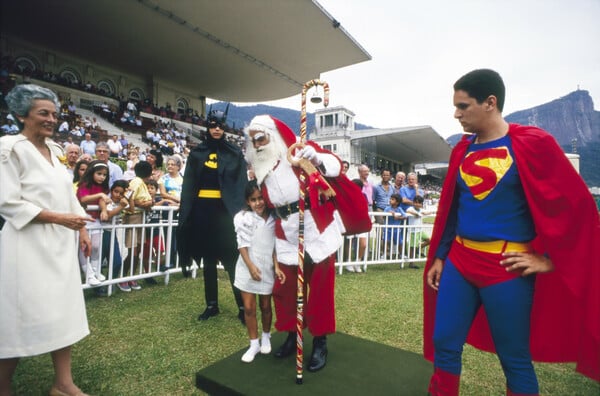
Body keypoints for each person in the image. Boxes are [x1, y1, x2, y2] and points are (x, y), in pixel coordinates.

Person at [424, 69, 600, 395]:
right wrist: (440, 255)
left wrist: (548, 260)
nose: (456, 114)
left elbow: (579, 207)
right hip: (460, 261)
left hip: (506, 267)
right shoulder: (461, 150)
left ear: (490, 103)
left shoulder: (535, 144)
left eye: (463, 106)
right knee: (445, 342)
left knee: (514, 358)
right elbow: (452, 209)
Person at [0, 84, 92, 396]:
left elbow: (68, 195)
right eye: (44, 113)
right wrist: (60, 219)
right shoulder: (10, 148)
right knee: (18, 314)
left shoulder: (55, 152)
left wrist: (80, 228)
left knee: (61, 309)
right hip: (25, 246)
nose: (52, 119)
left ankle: (63, 384)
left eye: (54, 113)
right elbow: (8, 202)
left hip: (59, 245)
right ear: (21, 115)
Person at [244, 115, 347, 372]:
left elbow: (336, 166)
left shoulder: (298, 153)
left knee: (320, 290)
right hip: (286, 233)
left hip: (316, 227)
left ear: (273, 135)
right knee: (286, 289)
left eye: (261, 138)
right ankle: (292, 334)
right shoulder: (260, 168)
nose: (257, 144)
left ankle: (320, 341)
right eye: (253, 140)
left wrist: (315, 156)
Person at [177, 110, 246, 324]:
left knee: (232, 260)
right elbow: (188, 187)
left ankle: (243, 307)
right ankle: (211, 305)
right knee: (207, 261)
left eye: (221, 126)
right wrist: (187, 215)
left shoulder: (234, 153)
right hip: (202, 213)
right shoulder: (197, 153)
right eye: (213, 125)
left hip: (226, 214)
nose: (217, 129)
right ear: (207, 127)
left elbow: (241, 185)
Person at [233, 180, 286, 363]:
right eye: (253, 199)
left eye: (261, 198)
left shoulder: (274, 217)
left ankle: (265, 336)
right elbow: (242, 244)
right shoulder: (242, 217)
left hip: (267, 269)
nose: (258, 203)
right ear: (248, 201)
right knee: (249, 307)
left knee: (265, 306)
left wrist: (277, 266)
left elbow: (274, 247)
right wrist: (250, 267)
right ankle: (253, 343)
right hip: (247, 267)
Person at [120, 160, 154, 292]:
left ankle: (131, 277)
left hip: (140, 218)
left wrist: (148, 203)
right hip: (134, 217)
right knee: (133, 250)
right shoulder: (136, 182)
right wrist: (142, 204)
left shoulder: (142, 183)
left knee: (138, 249)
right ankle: (123, 278)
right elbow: (129, 197)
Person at [76, 160, 111, 286]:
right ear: (92, 173)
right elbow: (83, 198)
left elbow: (101, 199)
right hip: (84, 218)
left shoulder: (102, 188)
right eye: (99, 174)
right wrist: (100, 195)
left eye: (104, 175)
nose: (102, 177)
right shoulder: (85, 184)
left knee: (96, 246)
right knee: (84, 247)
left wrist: (104, 210)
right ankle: (88, 274)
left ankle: (96, 271)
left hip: (95, 220)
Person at [383, 193, 407, 259]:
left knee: (400, 242)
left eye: (392, 199)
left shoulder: (399, 209)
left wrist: (398, 217)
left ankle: (401, 254)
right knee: (385, 241)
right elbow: (383, 216)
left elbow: (405, 216)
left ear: (397, 202)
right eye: (390, 199)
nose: (390, 200)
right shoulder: (387, 208)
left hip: (396, 229)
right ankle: (384, 254)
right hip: (387, 229)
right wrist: (389, 213)